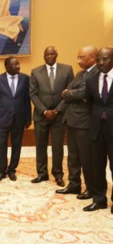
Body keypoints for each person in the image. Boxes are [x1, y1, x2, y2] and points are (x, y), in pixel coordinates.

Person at [56, 46, 98, 200]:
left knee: (87, 158)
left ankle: (91, 188)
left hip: (85, 123)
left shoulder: (97, 73)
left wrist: (71, 93)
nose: (78, 61)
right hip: (72, 120)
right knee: (73, 157)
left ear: (93, 57)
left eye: (82, 57)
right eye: (78, 57)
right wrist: (72, 93)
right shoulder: (80, 74)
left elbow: (84, 93)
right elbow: (68, 90)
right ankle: (74, 185)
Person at [30, 47, 74, 187]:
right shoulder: (36, 72)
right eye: (46, 54)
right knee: (40, 146)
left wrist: (57, 110)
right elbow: (33, 94)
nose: (49, 56)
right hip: (41, 115)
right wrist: (44, 111)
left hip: (59, 116)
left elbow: (70, 92)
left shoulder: (67, 70)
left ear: (56, 55)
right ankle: (42, 173)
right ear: (44, 56)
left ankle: (58, 174)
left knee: (57, 146)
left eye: (51, 54)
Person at [0, 56, 31, 182]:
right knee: (1, 146)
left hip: (19, 119)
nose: (18, 66)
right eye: (15, 64)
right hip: (2, 118)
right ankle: (1, 171)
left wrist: (28, 118)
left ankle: (12, 170)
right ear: (7, 67)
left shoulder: (25, 79)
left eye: (18, 64)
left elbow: (26, 100)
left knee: (16, 145)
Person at [83, 47, 113, 213]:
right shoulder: (91, 80)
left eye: (106, 59)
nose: (101, 63)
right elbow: (89, 104)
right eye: (99, 60)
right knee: (97, 166)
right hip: (96, 129)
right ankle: (99, 199)